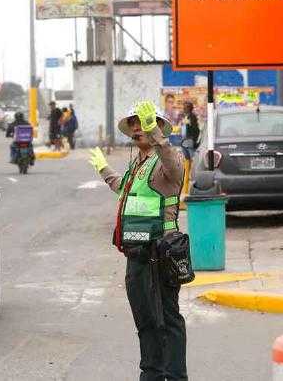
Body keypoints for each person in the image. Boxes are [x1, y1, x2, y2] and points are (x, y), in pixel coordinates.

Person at [89, 101, 187, 381]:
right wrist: (104, 170)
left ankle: (174, 377)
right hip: (138, 252)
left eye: (142, 122)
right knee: (145, 319)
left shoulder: (168, 157)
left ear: (156, 127)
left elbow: (176, 172)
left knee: (167, 319)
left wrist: (155, 133)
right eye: (133, 123)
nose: (137, 128)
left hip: (162, 249)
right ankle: (152, 375)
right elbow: (124, 188)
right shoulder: (138, 163)